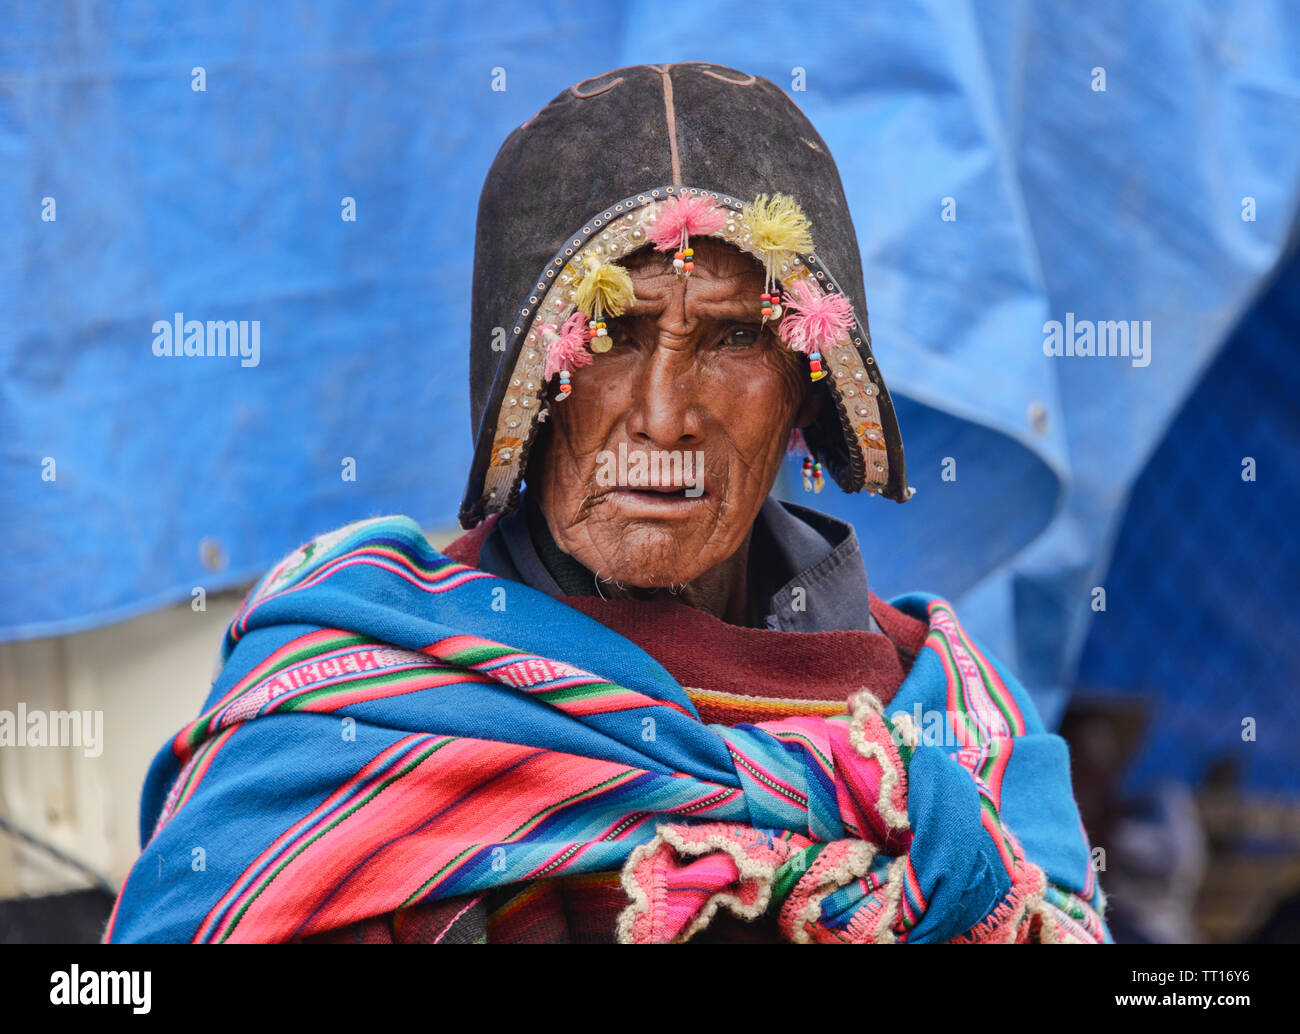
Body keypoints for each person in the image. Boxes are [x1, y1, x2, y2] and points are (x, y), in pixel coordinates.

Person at [105, 63, 1109, 944]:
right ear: (527, 388)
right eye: (613, 336)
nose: (665, 416)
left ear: (810, 382)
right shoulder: (349, 709)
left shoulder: (946, 726)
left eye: (730, 342)